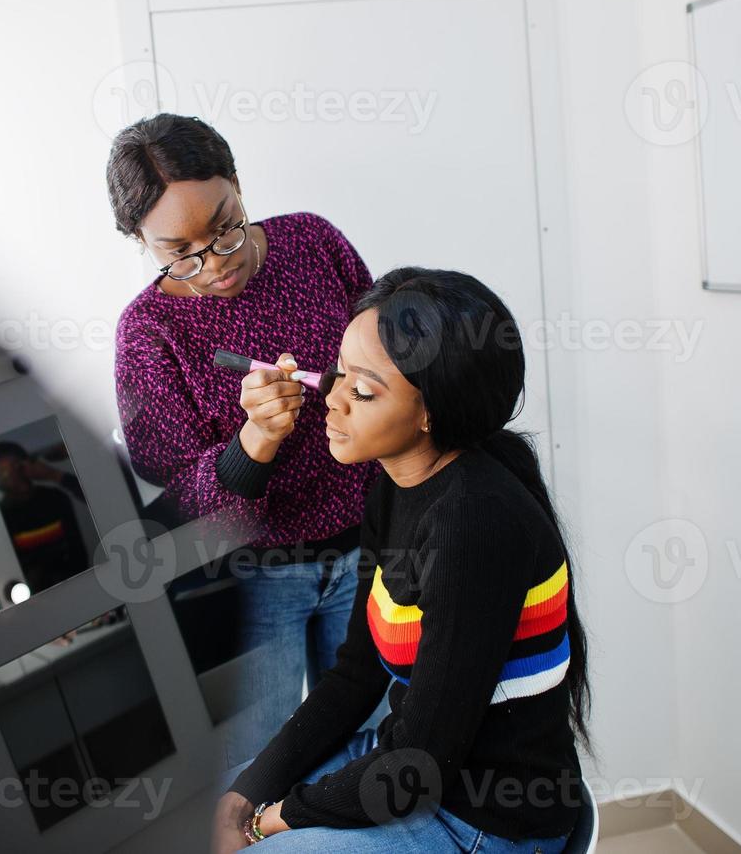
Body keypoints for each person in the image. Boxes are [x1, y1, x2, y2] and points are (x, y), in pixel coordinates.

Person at [212, 267, 591, 852]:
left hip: (482, 819)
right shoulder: (392, 486)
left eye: (362, 391)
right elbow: (357, 675)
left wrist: (269, 821)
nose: (332, 402)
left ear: (430, 412)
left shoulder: (475, 523)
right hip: (419, 776)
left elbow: (416, 770)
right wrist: (248, 792)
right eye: (338, 374)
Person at [107, 114, 386, 768]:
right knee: (258, 772)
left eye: (226, 225)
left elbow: (381, 355)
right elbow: (179, 508)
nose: (215, 261)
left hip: (368, 548)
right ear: (138, 238)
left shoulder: (312, 243)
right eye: (181, 251)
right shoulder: (148, 334)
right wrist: (254, 439)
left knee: (369, 747)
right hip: (255, 583)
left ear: (236, 181)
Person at [0, 441, 91, 593]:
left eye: (17, 466)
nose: (15, 475)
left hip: (77, 586)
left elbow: (78, 551)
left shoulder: (55, 498)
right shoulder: (1, 518)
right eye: (5, 473)